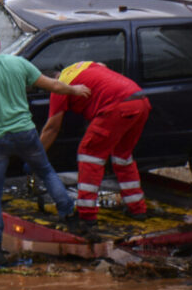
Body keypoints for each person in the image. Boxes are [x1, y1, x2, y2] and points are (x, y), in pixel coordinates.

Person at [0, 30, 90, 266]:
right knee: (46, 171)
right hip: (24, 132)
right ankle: (69, 215)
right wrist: (75, 90)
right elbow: (53, 85)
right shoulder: (19, 64)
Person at [39, 61, 152, 225]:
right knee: (122, 156)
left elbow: (52, 129)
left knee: (89, 155)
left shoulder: (59, 87)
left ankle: (86, 215)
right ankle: (137, 209)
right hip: (140, 100)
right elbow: (102, 65)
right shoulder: (81, 66)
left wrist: (36, 155)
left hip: (117, 107)